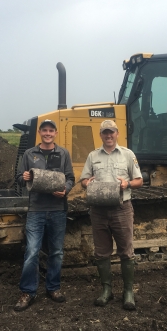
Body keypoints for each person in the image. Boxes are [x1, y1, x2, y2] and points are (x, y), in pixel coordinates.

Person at [80, 120, 143, 310]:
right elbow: (83, 179)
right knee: (101, 252)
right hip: (98, 211)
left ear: (117, 133)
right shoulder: (92, 156)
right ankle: (106, 290)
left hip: (121, 209)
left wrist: (127, 184)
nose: (108, 135)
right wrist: (86, 183)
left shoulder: (128, 155)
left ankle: (128, 292)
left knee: (126, 251)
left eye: (112, 132)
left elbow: (139, 180)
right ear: (101, 135)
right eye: (105, 133)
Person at [14, 119, 75, 312]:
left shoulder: (63, 153)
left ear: (55, 133)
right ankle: (28, 292)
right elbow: (18, 177)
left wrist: (65, 189)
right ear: (40, 132)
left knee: (56, 252)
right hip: (36, 210)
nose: (48, 133)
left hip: (58, 209)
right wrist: (22, 178)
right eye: (45, 130)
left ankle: (53, 288)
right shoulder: (29, 154)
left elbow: (71, 178)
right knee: (32, 251)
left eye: (51, 130)